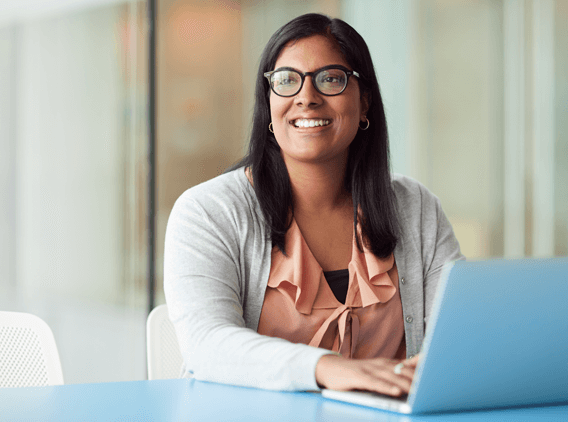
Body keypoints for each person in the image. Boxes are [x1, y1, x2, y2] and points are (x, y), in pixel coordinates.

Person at [163, 13, 463, 396]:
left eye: (331, 79)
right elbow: (206, 343)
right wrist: (326, 369)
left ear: (365, 101)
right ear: (269, 104)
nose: (306, 97)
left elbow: (458, 334)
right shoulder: (207, 212)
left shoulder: (415, 207)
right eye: (287, 81)